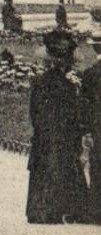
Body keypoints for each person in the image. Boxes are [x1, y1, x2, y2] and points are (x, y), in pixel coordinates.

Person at [26, 28, 89, 224]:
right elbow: (75, 115)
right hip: (64, 135)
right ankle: (70, 209)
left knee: (45, 168)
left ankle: (43, 210)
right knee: (66, 166)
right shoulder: (70, 85)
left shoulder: (39, 82)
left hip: (45, 134)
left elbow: (34, 113)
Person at [79, 32, 101, 223]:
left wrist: (85, 130)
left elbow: (84, 105)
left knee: (97, 165)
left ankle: (96, 210)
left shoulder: (90, 74)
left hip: (97, 127)